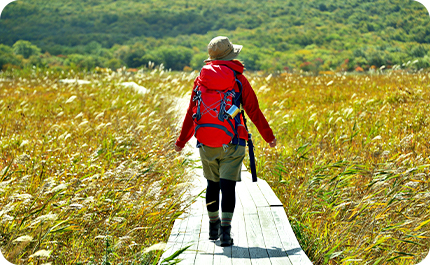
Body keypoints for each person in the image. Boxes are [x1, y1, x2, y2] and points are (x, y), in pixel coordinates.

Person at [174, 36, 276, 247]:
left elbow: (191, 113)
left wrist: (181, 141)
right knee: (228, 187)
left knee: (212, 184)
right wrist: (269, 137)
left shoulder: (201, 80)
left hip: (206, 141)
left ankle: (213, 227)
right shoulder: (239, 79)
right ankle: (226, 233)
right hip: (233, 140)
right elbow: (253, 111)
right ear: (231, 55)